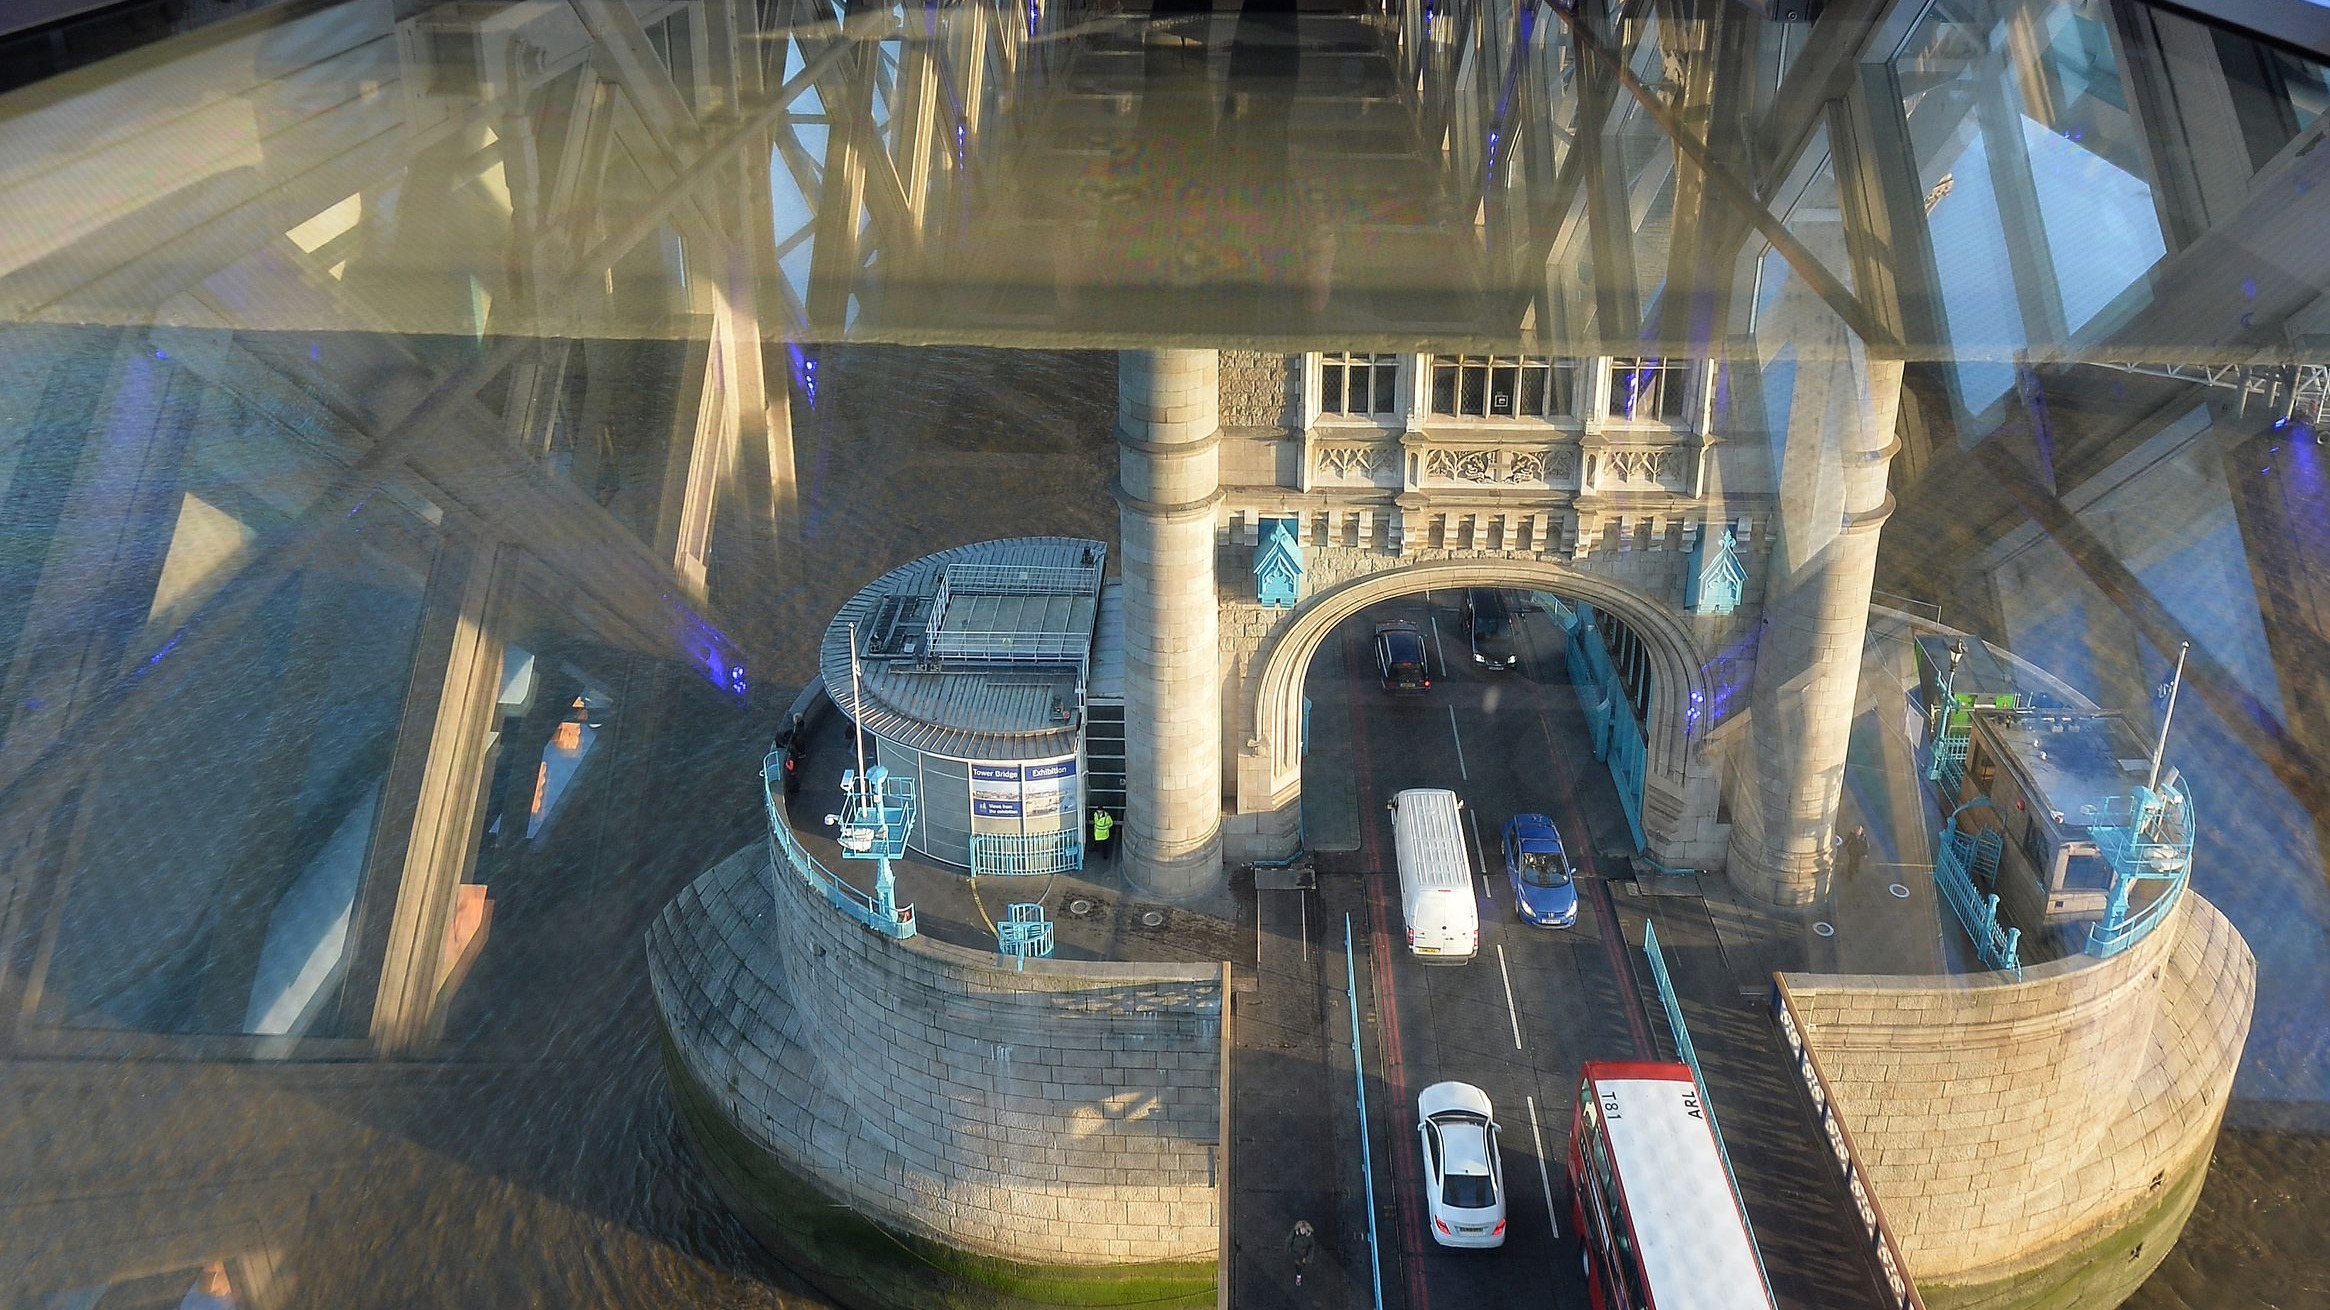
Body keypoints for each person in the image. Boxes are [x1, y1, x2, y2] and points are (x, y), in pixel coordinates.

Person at [1288, 1219, 1315, 1288]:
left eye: (1304, 1229)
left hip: (1304, 1255)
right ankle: (1298, 1276)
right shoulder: (1295, 1233)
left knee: (1302, 1264)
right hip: (1296, 1253)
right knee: (1298, 1266)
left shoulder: (1310, 1237)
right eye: (1301, 1229)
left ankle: (1299, 1273)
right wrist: (1287, 1248)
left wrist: (1308, 1258)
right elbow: (1289, 1239)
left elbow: (1312, 1247)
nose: (1302, 1231)